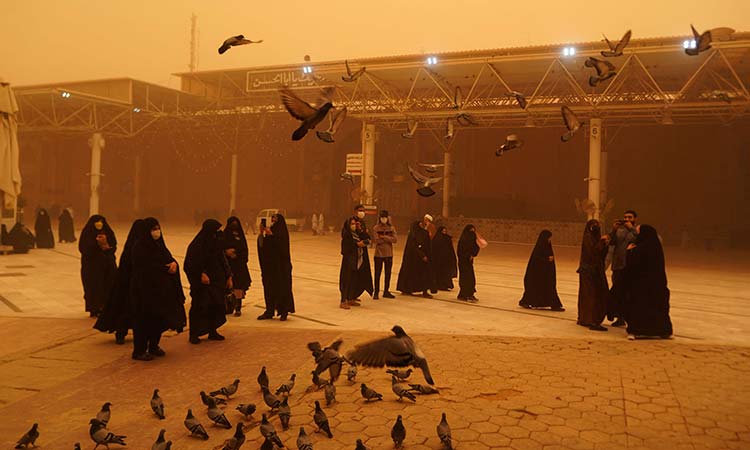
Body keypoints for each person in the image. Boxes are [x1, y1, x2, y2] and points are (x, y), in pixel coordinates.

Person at [129, 218, 186, 360]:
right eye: (153, 229)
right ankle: (139, 350)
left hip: (160, 292)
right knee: (144, 321)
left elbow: (168, 258)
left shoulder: (159, 245)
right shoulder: (139, 247)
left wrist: (174, 264)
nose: (156, 232)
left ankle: (153, 345)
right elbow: (144, 268)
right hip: (144, 292)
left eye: (158, 228)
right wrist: (164, 268)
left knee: (158, 320)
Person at [94, 219, 146, 344]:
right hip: (128, 286)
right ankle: (121, 333)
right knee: (126, 311)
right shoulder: (132, 248)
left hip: (139, 286)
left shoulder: (142, 246)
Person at [184, 219, 231, 344]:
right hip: (202, 284)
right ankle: (194, 334)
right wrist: (200, 274)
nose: (218, 233)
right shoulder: (197, 245)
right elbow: (190, 264)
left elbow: (223, 260)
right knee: (200, 307)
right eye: (215, 230)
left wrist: (228, 276)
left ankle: (212, 330)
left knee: (215, 306)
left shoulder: (216, 244)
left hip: (216, 282)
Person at [623, 225, 673, 339]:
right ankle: (663, 331)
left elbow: (632, 264)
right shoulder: (656, 247)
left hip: (641, 285)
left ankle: (635, 330)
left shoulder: (639, 248)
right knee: (658, 308)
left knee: (638, 306)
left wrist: (630, 251)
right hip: (657, 284)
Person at [603, 210, 639, 327]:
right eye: (625, 217)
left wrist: (632, 229)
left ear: (635, 219)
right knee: (618, 293)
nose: (627, 219)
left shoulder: (637, 230)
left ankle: (632, 318)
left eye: (630, 217)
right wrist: (614, 229)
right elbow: (611, 242)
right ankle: (620, 317)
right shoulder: (619, 231)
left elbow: (642, 240)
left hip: (630, 267)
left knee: (630, 294)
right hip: (618, 266)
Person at [257, 213, 296, 321]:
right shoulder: (271, 232)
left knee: (283, 289)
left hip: (282, 268)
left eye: (275, 221)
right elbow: (263, 247)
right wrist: (262, 233)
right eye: (272, 221)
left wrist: (272, 236)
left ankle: (284, 311)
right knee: (269, 288)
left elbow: (281, 249)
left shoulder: (282, 235)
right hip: (271, 268)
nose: (273, 223)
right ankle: (269, 310)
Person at [79, 215, 117, 317]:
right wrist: (96, 244)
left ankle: (106, 308)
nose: (99, 224)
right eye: (97, 221)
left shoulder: (108, 232)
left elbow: (113, 246)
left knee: (108, 286)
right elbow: (84, 248)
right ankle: (94, 309)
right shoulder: (87, 233)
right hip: (92, 267)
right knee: (94, 288)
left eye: (101, 221)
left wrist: (105, 244)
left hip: (108, 266)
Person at [576, 220, 610, 331]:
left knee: (591, 295)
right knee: (590, 295)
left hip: (595, 270)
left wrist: (604, 244)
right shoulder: (588, 238)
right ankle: (591, 320)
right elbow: (593, 252)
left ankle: (586, 319)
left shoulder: (594, 238)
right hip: (588, 271)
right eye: (594, 226)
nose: (596, 228)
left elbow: (601, 254)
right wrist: (601, 242)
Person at [519, 230, 565, 311]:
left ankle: (553, 304)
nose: (549, 240)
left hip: (544, 274)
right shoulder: (539, 249)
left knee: (546, 287)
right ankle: (554, 305)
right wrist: (547, 259)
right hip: (539, 275)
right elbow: (537, 261)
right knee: (540, 288)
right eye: (548, 238)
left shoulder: (546, 247)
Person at [339, 216, 374, 308]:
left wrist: (360, 229)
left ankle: (351, 298)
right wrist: (356, 245)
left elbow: (368, 238)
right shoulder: (347, 235)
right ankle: (343, 300)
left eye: (355, 224)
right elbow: (344, 250)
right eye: (352, 224)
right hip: (349, 262)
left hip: (358, 261)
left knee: (354, 280)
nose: (354, 226)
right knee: (346, 281)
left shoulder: (358, 234)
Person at [396, 219, 433, 298]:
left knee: (424, 274)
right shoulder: (412, 234)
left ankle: (424, 290)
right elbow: (412, 247)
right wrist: (421, 255)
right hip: (412, 259)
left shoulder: (424, 233)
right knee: (411, 274)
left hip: (422, 259)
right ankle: (407, 289)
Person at [225, 216, 252, 317]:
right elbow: (219, 249)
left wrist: (237, 254)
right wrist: (226, 252)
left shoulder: (241, 236)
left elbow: (244, 250)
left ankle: (238, 307)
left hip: (239, 266)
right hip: (227, 265)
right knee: (227, 287)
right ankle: (228, 306)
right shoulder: (225, 235)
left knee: (238, 288)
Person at [372, 210, 397, 299]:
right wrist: (388, 238)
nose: (384, 219)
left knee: (388, 273)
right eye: (382, 217)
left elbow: (395, 240)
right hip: (378, 254)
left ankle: (386, 291)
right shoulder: (376, 228)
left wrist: (383, 237)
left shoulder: (391, 228)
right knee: (377, 274)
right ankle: (376, 292)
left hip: (388, 254)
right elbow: (376, 240)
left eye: (385, 217)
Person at [457, 224, 480, 301]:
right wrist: (468, 255)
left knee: (471, 279)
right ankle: (463, 294)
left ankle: (470, 293)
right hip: (463, 262)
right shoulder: (463, 240)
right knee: (465, 279)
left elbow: (476, 247)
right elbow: (461, 252)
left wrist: (473, 254)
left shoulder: (472, 240)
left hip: (469, 263)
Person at [432, 226, 458, 291]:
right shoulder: (436, 239)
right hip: (438, 260)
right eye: (443, 231)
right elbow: (434, 249)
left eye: (445, 231)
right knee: (439, 273)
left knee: (446, 273)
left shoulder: (447, 239)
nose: (444, 233)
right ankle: (439, 285)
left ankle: (446, 285)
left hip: (446, 259)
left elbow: (450, 249)